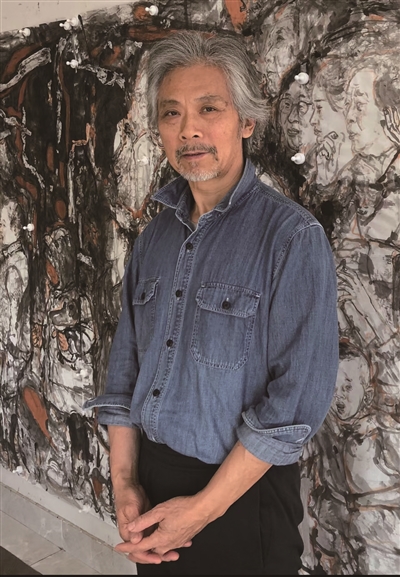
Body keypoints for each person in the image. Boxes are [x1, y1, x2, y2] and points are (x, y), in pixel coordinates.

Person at [83, 30, 339, 575]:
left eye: (209, 108)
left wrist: (200, 511)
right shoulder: (153, 240)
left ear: (246, 121)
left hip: (242, 498)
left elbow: (294, 405)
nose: (189, 129)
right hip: (152, 485)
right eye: (171, 113)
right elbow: (124, 372)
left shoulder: (291, 238)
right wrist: (125, 484)